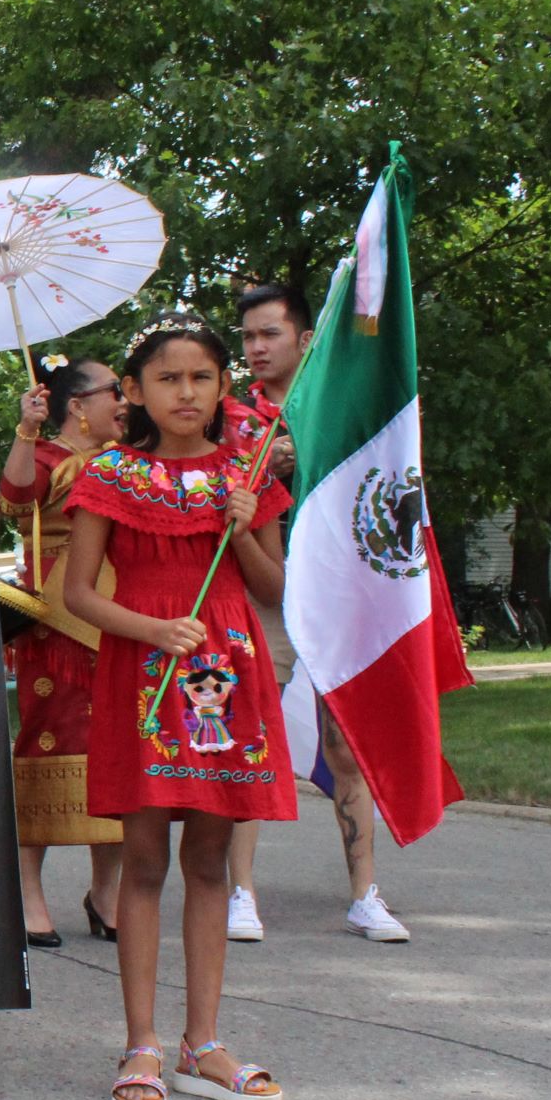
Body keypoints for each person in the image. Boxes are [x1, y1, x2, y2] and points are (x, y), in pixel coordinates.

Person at [61, 310, 294, 1100]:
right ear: (134, 391)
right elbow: (78, 592)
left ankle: (203, 1042)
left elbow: (273, 590)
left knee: (209, 860)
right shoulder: (113, 475)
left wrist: (241, 531)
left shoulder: (248, 474)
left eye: (201, 376)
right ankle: (142, 1042)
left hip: (229, 674)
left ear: (224, 385)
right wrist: (153, 629)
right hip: (143, 675)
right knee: (144, 860)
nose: (185, 391)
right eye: (167, 377)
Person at [223, 283, 409, 944]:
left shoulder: (341, 410)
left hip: (335, 588)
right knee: (250, 736)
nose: (257, 348)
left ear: (305, 339)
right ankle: (238, 892)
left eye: (269, 334)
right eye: (248, 337)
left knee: (345, 746)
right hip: (262, 590)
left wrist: (311, 453)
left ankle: (365, 895)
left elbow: (384, 479)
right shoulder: (231, 415)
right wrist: (253, 468)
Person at [0, 356, 129, 948]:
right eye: (113, 392)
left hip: (122, 616)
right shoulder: (48, 457)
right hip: (58, 624)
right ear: (77, 405)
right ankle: (28, 892)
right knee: (48, 742)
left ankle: (108, 893)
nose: (124, 403)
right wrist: (27, 431)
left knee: (118, 749)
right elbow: (14, 500)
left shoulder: (131, 463)